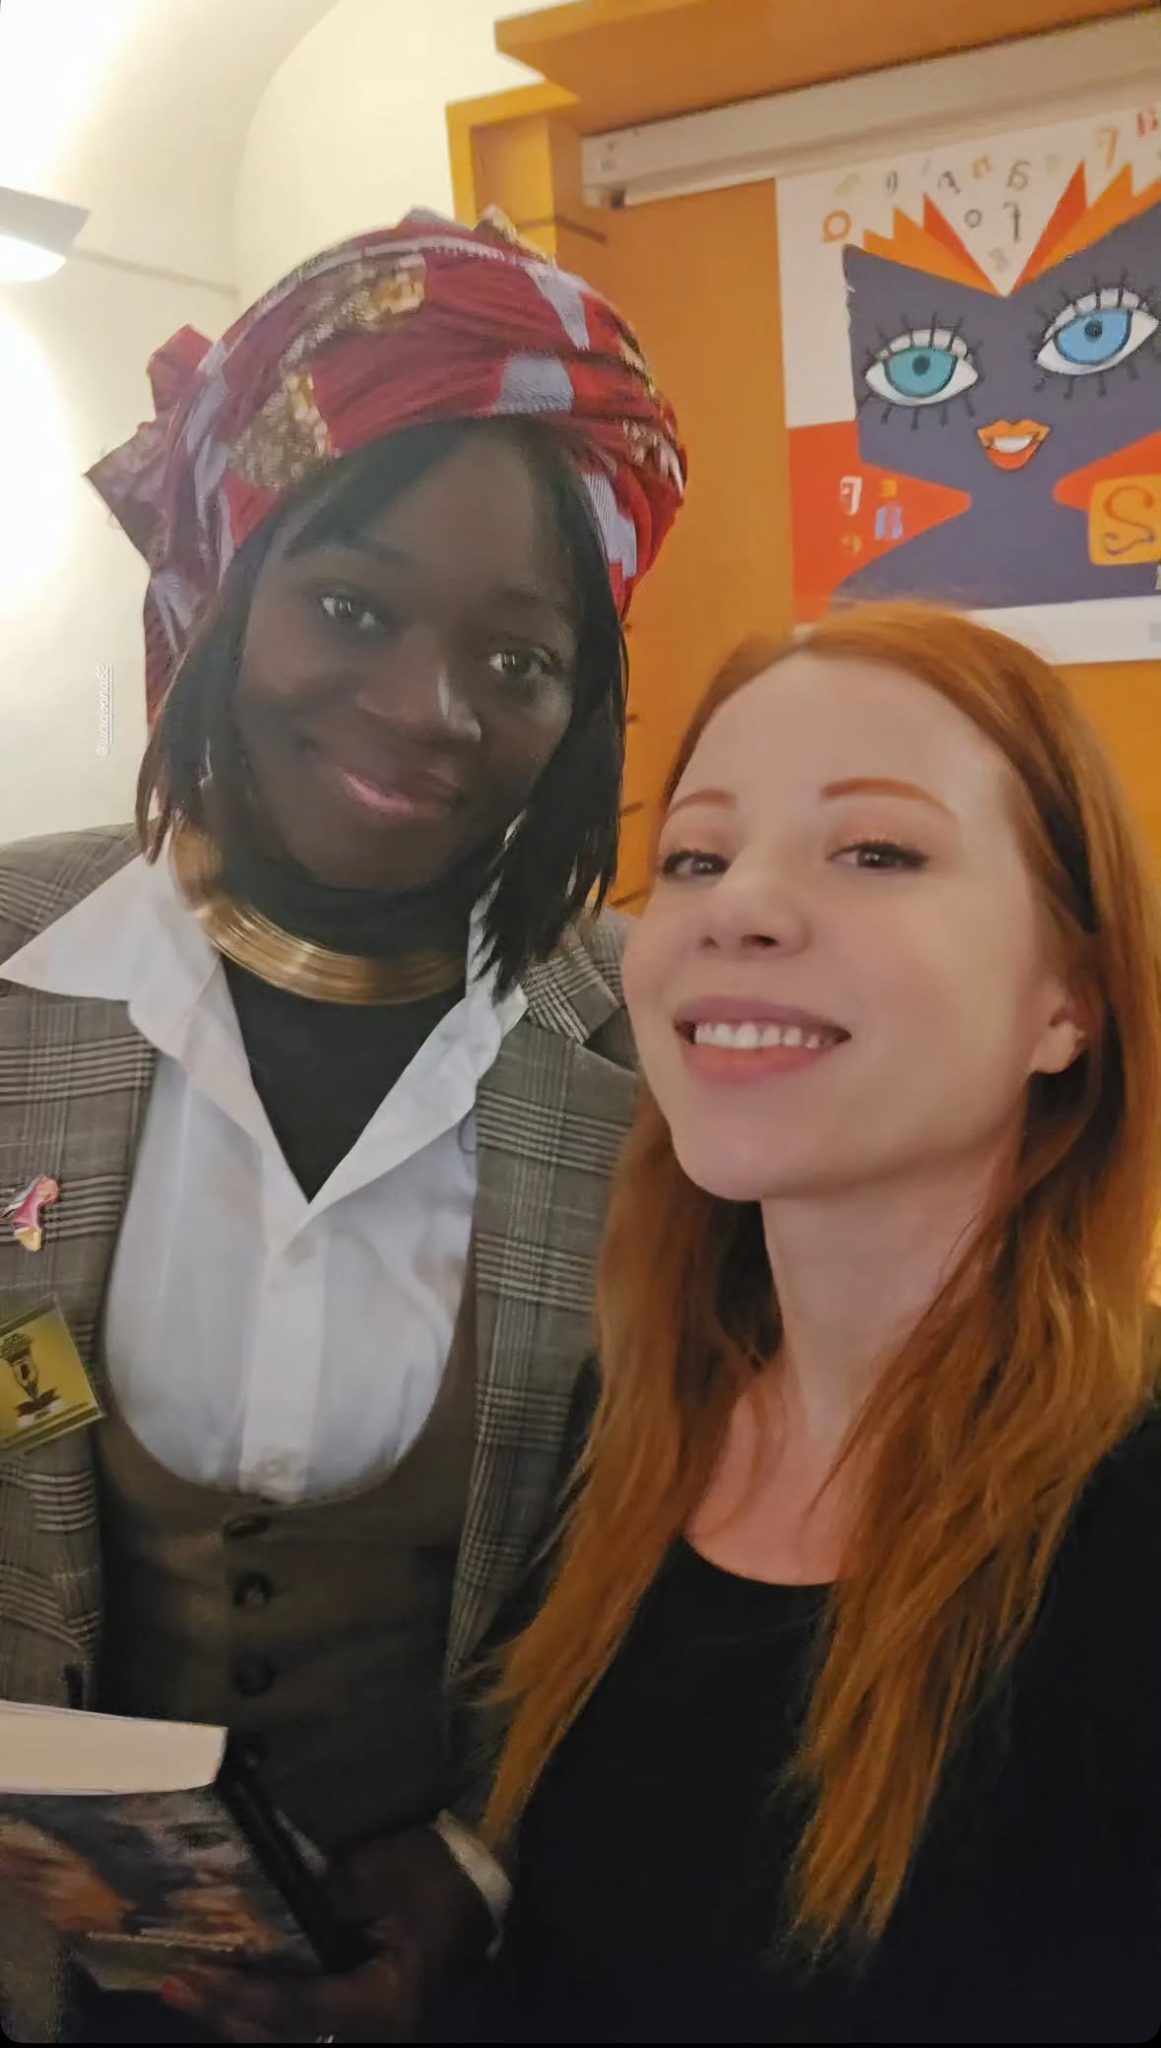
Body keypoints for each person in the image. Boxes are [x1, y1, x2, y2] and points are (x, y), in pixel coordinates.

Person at [0, 207, 683, 2043]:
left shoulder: (660, 1054)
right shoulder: (9, 972)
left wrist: (471, 1867)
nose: (424, 713)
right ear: (224, 582)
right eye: (352, 609)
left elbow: (685, 1568)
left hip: (477, 1986)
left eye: (519, 663)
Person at [476, 602, 1161, 2044]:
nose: (738, 907)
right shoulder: (634, 1420)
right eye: (695, 857)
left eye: (876, 852)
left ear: (1071, 1003)